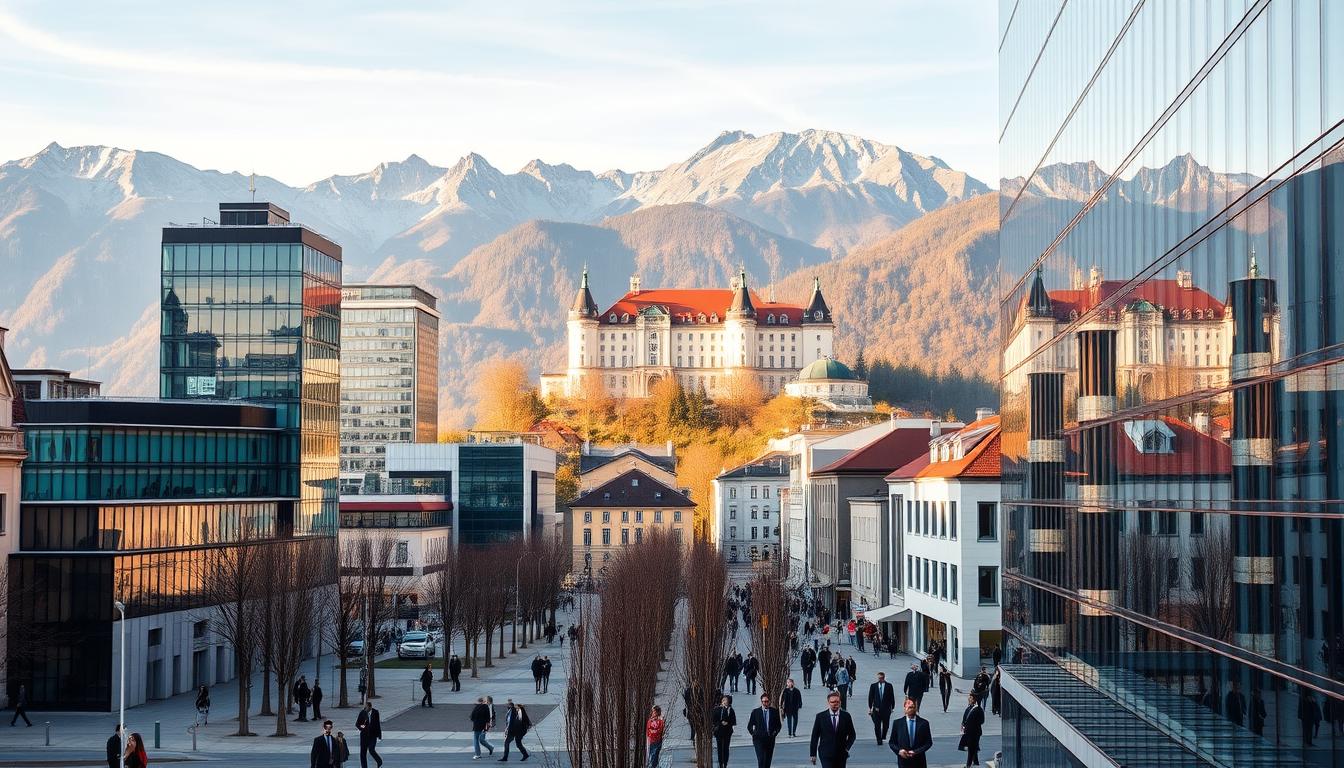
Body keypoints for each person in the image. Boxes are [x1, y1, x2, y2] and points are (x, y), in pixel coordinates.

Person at [808, 690, 856, 768]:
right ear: (828, 703)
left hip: (841, 753)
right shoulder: (820, 717)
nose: (835, 704)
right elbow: (815, 736)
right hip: (825, 753)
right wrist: (813, 754)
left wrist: (847, 748)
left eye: (837, 702)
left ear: (840, 702)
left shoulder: (846, 716)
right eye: (832, 702)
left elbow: (852, 735)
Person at [889, 698, 933, 768]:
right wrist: (899, 751)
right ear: (905, 708)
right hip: (903, 761)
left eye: (913, 707)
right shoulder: (898, 723)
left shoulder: (924, 723)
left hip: (919, 761)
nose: (911, 709)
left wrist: (916, 752)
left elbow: (928, 743)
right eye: (909, 707)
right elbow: (892, 742)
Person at [747, 693, 782, 768]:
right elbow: (749, 725)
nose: (765, 703)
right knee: (761, 759)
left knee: (767, 760)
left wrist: (774, 733)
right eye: (764, 701)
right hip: (758, 739)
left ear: (769, 701)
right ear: (761, 702)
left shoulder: (774, 711)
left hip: (770, 739)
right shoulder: (756, 712)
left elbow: (778, 725)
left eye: (767, 701)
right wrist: (753, 734)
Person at [867, 671, 896, 745]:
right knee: (877, 725)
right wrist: (870, 707)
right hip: (876, 709)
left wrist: (892, 706)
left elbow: (892, 696)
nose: (880, 679)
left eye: (881, 678)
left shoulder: (889, 686)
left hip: (886, 709)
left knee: (886, 725)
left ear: (884, 678)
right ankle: (879, 740)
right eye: (879, 678)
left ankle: (883, 735)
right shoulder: (873, 686)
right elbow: (870, 697)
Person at [355, 700, 383, 768]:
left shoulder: (375, 712)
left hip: (373, 735)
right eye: (365, 707)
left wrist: (379, 735)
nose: (365, 709)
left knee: (371, 749)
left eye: (366, 707)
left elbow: (377, 724)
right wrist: (362, 727)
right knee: (363, 753)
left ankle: (379, 761)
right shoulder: (362, 713)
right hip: (364, 736)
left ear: (370, 707)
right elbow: (357, 724)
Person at [712, 694, 737, 768]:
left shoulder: (730, 710)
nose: (724, 701)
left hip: (727, 731)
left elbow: (734, 721)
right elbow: (713, 720)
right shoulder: (717, 709)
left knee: (726, 748)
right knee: (719, 748)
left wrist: (728, 723)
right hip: (719, 731)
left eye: (726, 700)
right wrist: (720, 723)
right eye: (723, 700)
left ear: (729, 702)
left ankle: (725, 763)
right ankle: (720, 763)